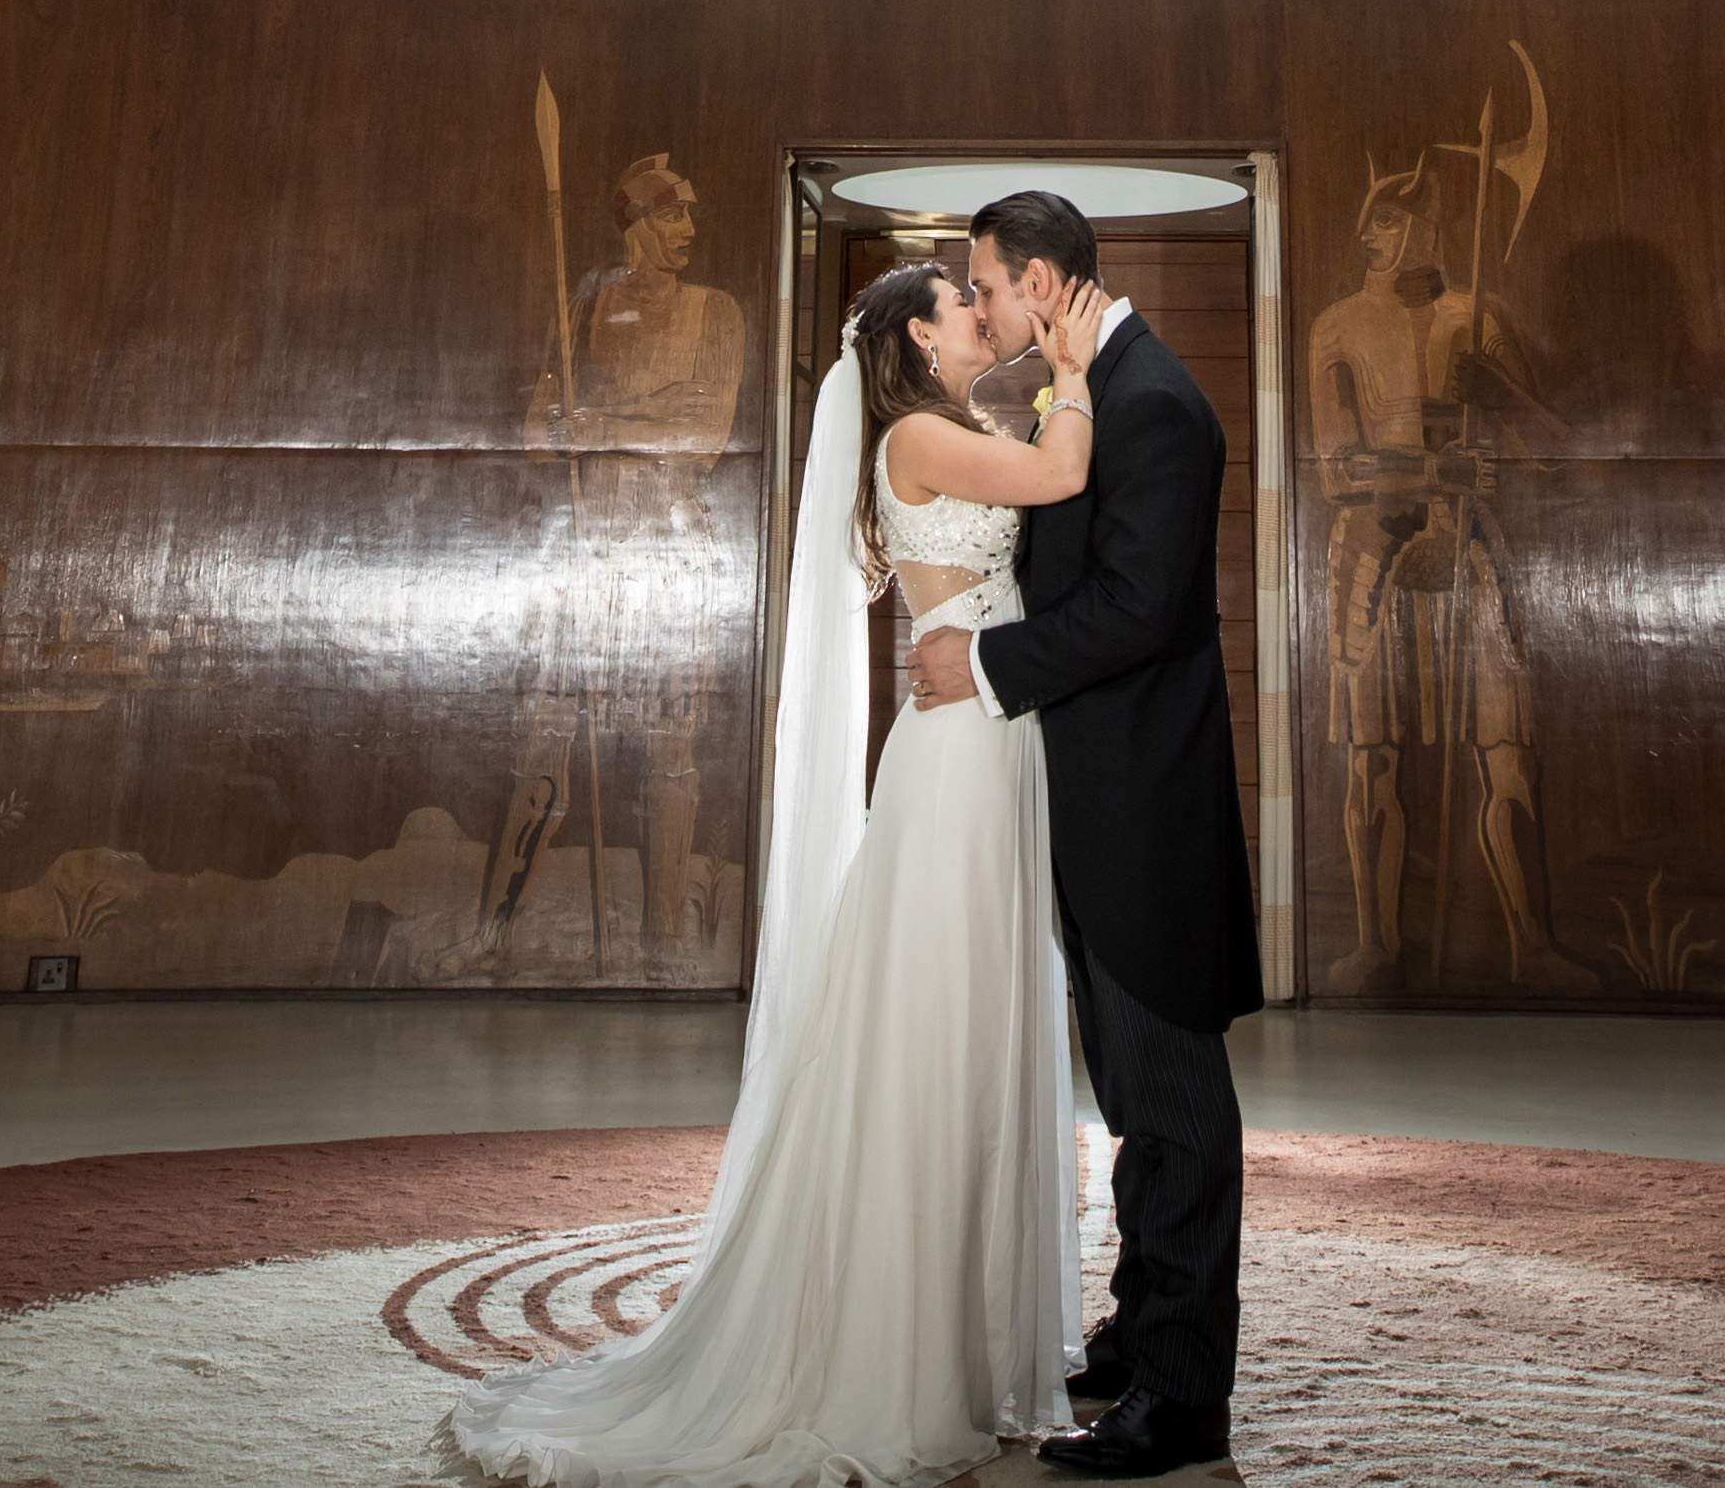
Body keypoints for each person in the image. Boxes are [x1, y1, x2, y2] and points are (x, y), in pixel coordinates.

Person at [442, 258, 1116, 1488]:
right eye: (963, 301)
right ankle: (898, 1353)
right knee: (936, 1022)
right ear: (922, 337)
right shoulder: (918, 436)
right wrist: (1071, 368)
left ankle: (962, 1338)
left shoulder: (955, 427)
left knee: (977, 1018)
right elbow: (1062, 473)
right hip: (958, 758)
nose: (982, 311)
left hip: (993, 739)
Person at [914, 190, 1256, 1481]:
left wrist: (980, 664)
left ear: (1045, 282)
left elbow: (1135, 607)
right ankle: (1139, 1332)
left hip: (1145, 812)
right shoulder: (1092, 387)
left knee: (1173, 1106)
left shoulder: (1153, 401)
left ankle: (1182, 1399)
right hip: (1101, 804)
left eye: (988, 285)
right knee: (1131, 1092)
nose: (982, 306)